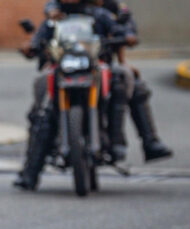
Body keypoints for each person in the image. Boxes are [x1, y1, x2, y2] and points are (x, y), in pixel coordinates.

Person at [14, 0, 129, 191]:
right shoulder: (54, 18)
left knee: (118, 89)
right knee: (43, 112)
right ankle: (30, 172)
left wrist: (125, 36)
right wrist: (31, 46)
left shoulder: (98, 15)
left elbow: (119, 32)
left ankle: (117, 143)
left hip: (92, 69)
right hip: (63, 70)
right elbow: (38, 39)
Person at [42, 0, 173, 162]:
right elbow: (49, 15)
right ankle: (33, 167)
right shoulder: (65, 8)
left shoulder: (109, 8)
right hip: (67, 65)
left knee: (126, 80)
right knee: (42, 95)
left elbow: (123, 27)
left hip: (102, 63)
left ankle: (142, 142)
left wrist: (124, 54)